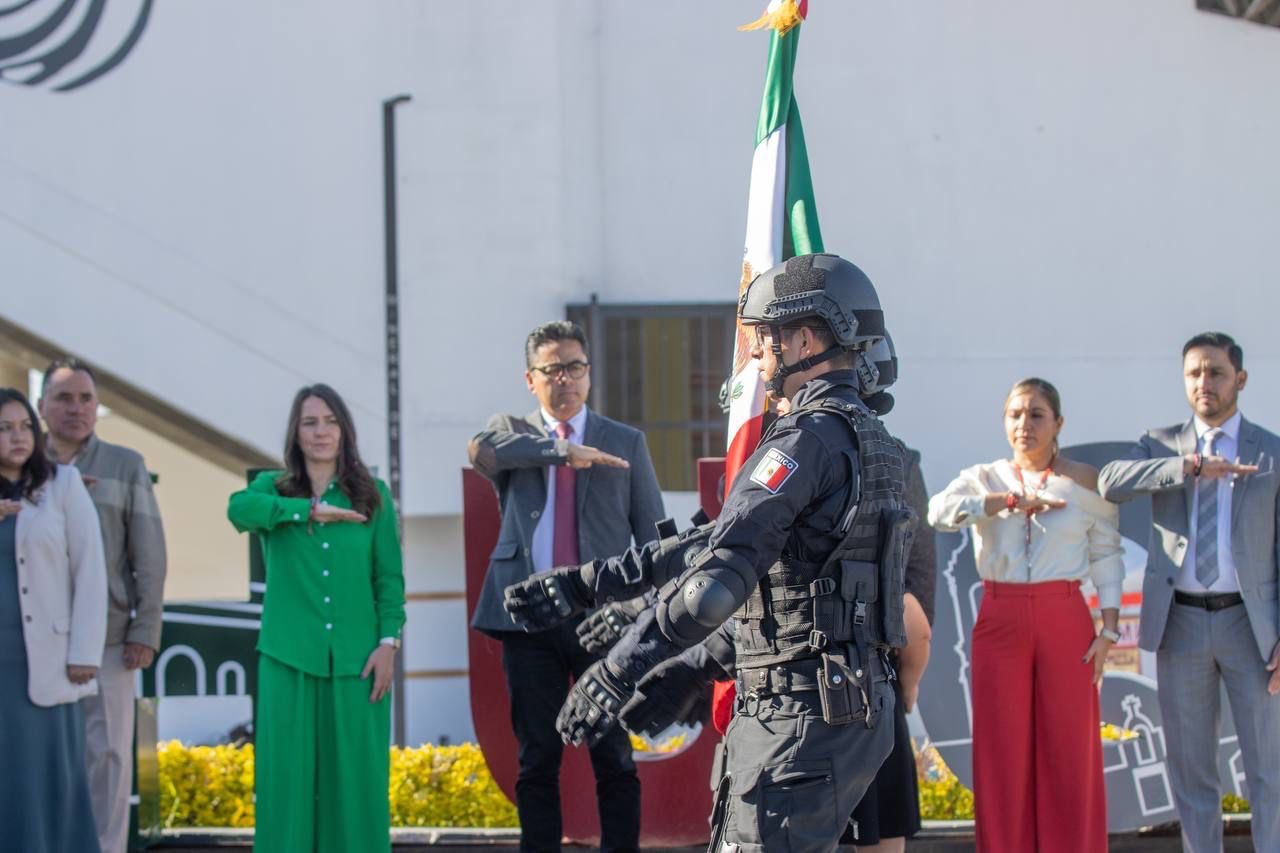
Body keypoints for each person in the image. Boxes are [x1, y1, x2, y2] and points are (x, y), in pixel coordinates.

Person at [505, 253, 909, 852]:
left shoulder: (805, 438)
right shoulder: (872, 442)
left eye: (766, 339)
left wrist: (619, 669)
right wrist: (603, 592)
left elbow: (716, 581)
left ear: (803, 338)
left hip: (794, 717)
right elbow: (777, 570)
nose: (757, 357)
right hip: (838, 708)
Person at [468, 319, 664, 853]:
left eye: (575, 367)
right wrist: (561, 453)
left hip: (600, 621)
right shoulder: (512, 433)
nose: (565, 380)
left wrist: (641, 611)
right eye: (552, 370)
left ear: (589, 374)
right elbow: (481, 449)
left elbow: (653, 542)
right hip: (529, 619)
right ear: (531, 379)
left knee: (613, 756)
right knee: (537, 759)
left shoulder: (625, 442)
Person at [1098, 332, 1280, 853]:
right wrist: (1189, 466)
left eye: (1216, 372)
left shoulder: (1271, 451)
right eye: (1194, 373)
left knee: (1268, 770)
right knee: (1191, 771)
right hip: (1180, 624)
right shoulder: (1161, 443)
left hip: (1253, 627)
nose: (1204, 383)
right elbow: (1112, 481)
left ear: (1240, 379)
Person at [927, 377, 1122, 853]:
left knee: (1069, 749)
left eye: (1036, 414)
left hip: (1065, 616)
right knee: (1002, 752)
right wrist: (1005, 502)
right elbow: (938, 512)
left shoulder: (1082, 481)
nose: (1024, 424)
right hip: (1001, 615)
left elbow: (1106, 554)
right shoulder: (985, 477)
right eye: (1015, 414)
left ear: (1058, 423)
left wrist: (1110, 628)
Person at [227, 383, 405, 853]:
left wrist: (389, 644)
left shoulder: (374, 497)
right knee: (286, 784)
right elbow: (237, 510)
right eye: (310, 422)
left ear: (344, 429)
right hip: (288, 659)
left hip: (359, 663)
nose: (321, 431)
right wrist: (305, 511)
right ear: (296, 432)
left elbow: (388, 580)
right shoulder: (272, 490)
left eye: (329, 420)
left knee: (358, 786)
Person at [39, 358, 167, 853]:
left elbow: (149, 556)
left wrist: (145, 630)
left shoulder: (125, 465)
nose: (77, 409)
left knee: (109, 755)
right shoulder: (20, 465)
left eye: (86, 399)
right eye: (64, 398)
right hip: (36, 639)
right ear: (42, 406)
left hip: (112, 639)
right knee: (43, 754)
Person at [0, 387, 107, 852]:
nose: (17, 437)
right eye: (4, 428)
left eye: (25, 426)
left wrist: (85, 652)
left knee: (48, 777)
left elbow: (90, 571)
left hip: (46, 658)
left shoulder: (63, 485)